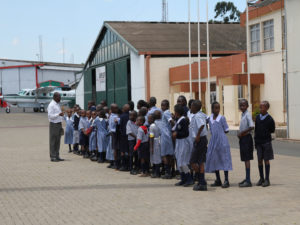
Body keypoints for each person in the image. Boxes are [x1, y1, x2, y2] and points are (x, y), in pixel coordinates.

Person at [206, 102, 232, 188]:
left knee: (224, 159)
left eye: (218, 108)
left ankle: (226, 180)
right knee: (215, 159)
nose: (217, 110)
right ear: (212, 109)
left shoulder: (222, 118)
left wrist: (220, 135)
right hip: (213, 141)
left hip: (222, 141)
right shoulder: (209, 118)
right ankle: (218, 180)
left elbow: (226, 130)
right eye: (215, 108)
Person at [254, 101, 275, 187]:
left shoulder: (270, 119)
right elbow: (256, 129)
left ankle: (267, 179)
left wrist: (265, 134)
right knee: (259, 160)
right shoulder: (258, 117)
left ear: (266, 108)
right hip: (258, 142)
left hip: (266, 142)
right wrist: (255, 140)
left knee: (266, 160)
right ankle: (261, 178)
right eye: (260, 107)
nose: (260, 108)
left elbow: (272, 130)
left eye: (262, 107)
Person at [172, 104, 194, 187]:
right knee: (179, 161)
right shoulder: (178, 120)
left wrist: (177, 134)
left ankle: (189, 179)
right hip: (179, 142)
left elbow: (185, 133)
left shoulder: (183, 120)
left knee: (183, 162)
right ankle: (183, 178)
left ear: (177, 112)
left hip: (183, 143)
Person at [189, 100, 208, 191]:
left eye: (192, 106)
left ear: (196, 107)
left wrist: (197, 136)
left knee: (192, 161)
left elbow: (202, 125)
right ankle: (202, 182)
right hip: (202, 139)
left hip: (200, 140)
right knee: (200, 161)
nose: (190, 108)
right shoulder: (201, 114)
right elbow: (207, 119)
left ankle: (201, 181)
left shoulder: (197, 116)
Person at [238, 99, 255, 188]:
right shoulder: (243, 114)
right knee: (244, 158)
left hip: (246, 139)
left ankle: (248, 180)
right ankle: (247, 178)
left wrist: (242, 133)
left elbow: (251, 126)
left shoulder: (248, 114)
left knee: (247, 158)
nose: (242, 107)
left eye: (243, 105)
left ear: (247, 106)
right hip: (243, 139)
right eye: (240, 105)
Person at [156, 99, 174, 179]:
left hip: (165, 135)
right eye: (161, 105)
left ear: (167, 106)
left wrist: (175, 128)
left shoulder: (166, 113)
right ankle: (169, 171)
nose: (162, 107)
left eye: (164, 105)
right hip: (167, 134)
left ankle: (168, 172)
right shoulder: (165, 113)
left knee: (164, 154)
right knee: (168, 154)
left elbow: (171, 121)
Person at [47, 92, 64, 162]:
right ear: (55, 97)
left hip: (58, 124)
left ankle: (57, 155)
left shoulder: (57, 104)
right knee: (53, 141)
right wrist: (58, 114)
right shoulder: (51, 105)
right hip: (54, 124)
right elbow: (50, 116)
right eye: (59, 97)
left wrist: (61, 115)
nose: (60, 98)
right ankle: (53, 156)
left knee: (58, 141)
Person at [149, 112, 162, 178]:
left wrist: (151, 147)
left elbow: (151, 136)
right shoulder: (160, 124)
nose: (148, 120)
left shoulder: (152, 126)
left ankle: (157, 173)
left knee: (155, 158)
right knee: (158, 157)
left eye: (149, 119)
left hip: (154, 142)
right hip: (160, 141)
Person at [126, 110, 139, 175]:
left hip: (137, 141)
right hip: (131, 140)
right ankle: (131, 168)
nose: (131, 116)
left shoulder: (137, 121)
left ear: (136, 116)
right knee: (131, 154)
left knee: (136, 154)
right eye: (130, 115)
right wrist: (136, 136)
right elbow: (129, 132)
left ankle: (137, 167)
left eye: (133, 115)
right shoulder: (129, 122)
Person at [107, 104, 119, 168]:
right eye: (115, 108)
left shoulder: (116, 117)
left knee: (114, 149)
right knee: (110, 148)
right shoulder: (111, 116)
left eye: (117, 108)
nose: (117, 109)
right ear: (112, 109)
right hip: (111, 134)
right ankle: (111, 161)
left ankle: (114, 162)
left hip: (114, 134)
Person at [119, 104, 130, 171]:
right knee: (128, 151)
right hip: (129, 136)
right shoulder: (131, 115)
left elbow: (120, 126)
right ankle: (129, 165)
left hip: (123, 135)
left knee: (123, 151)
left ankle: (123, 165)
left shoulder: (122, 116)